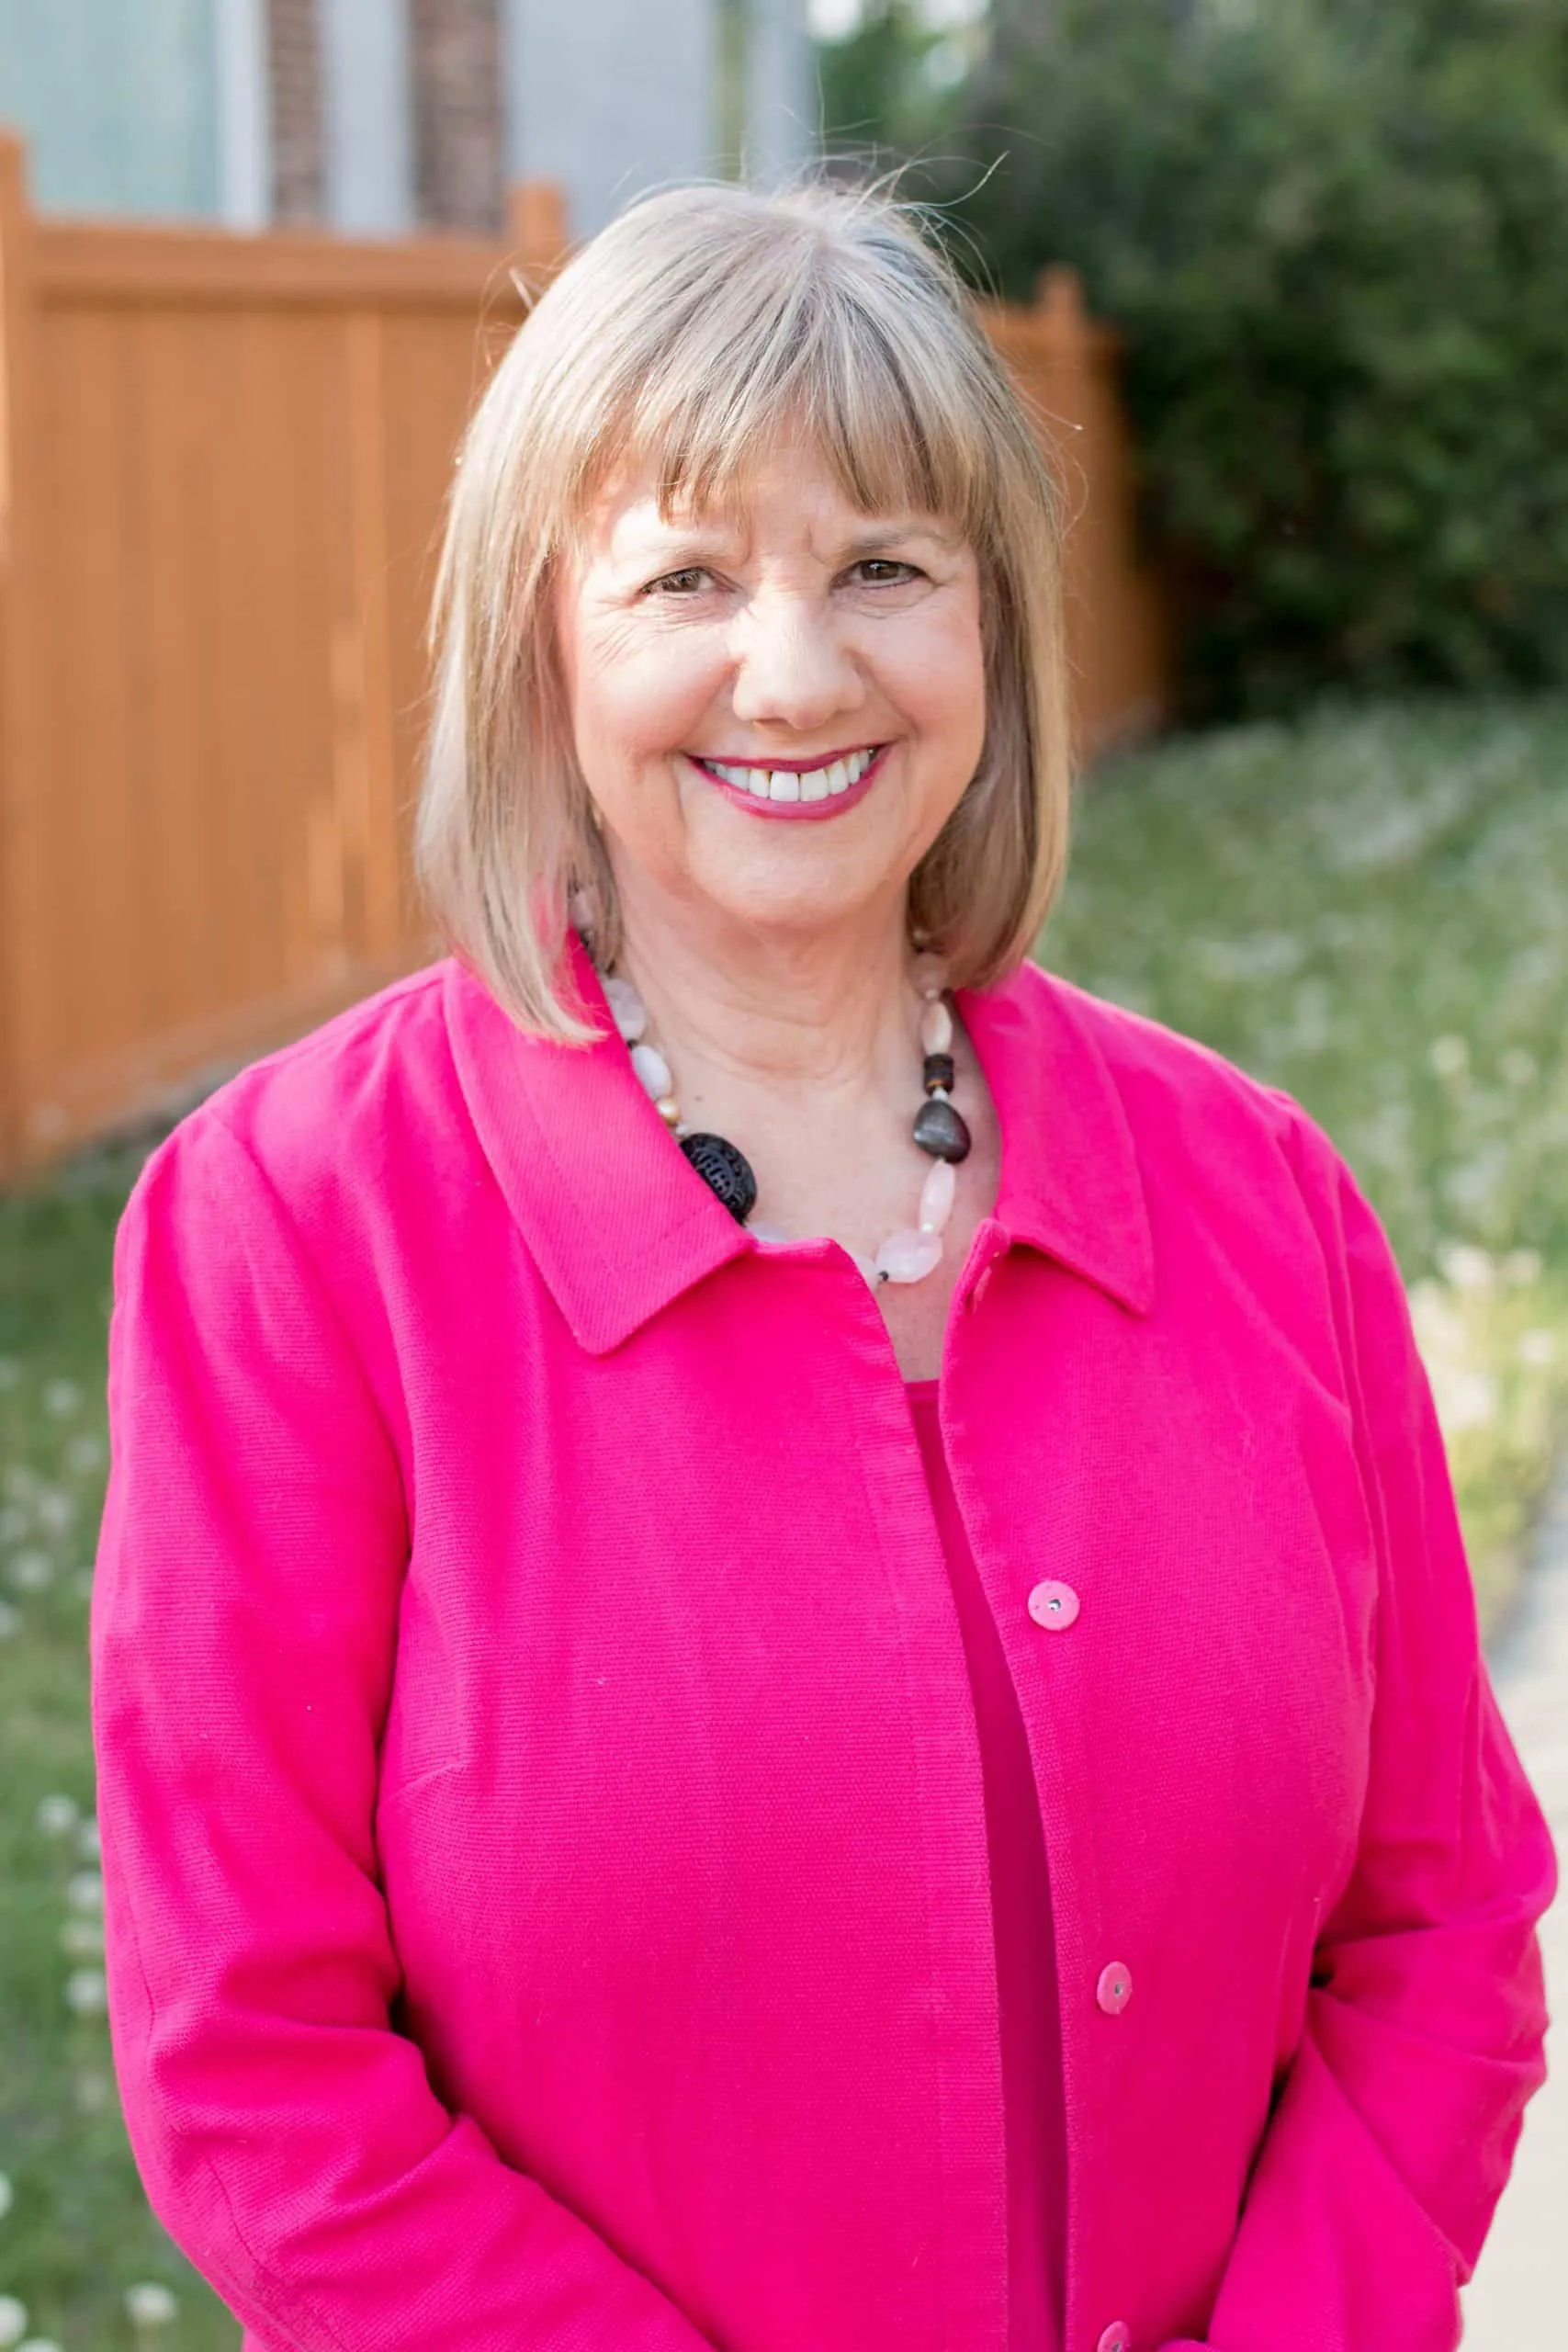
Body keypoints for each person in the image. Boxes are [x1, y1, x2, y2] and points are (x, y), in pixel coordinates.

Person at [92, 181, 1553, 2352]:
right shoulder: (293, 1233)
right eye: (684, 576)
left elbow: (1444, 1919)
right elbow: (253, 2063)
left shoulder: (1260, 1196)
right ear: (538, 640)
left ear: (993, 630)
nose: (793, 671)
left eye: (884, 565)